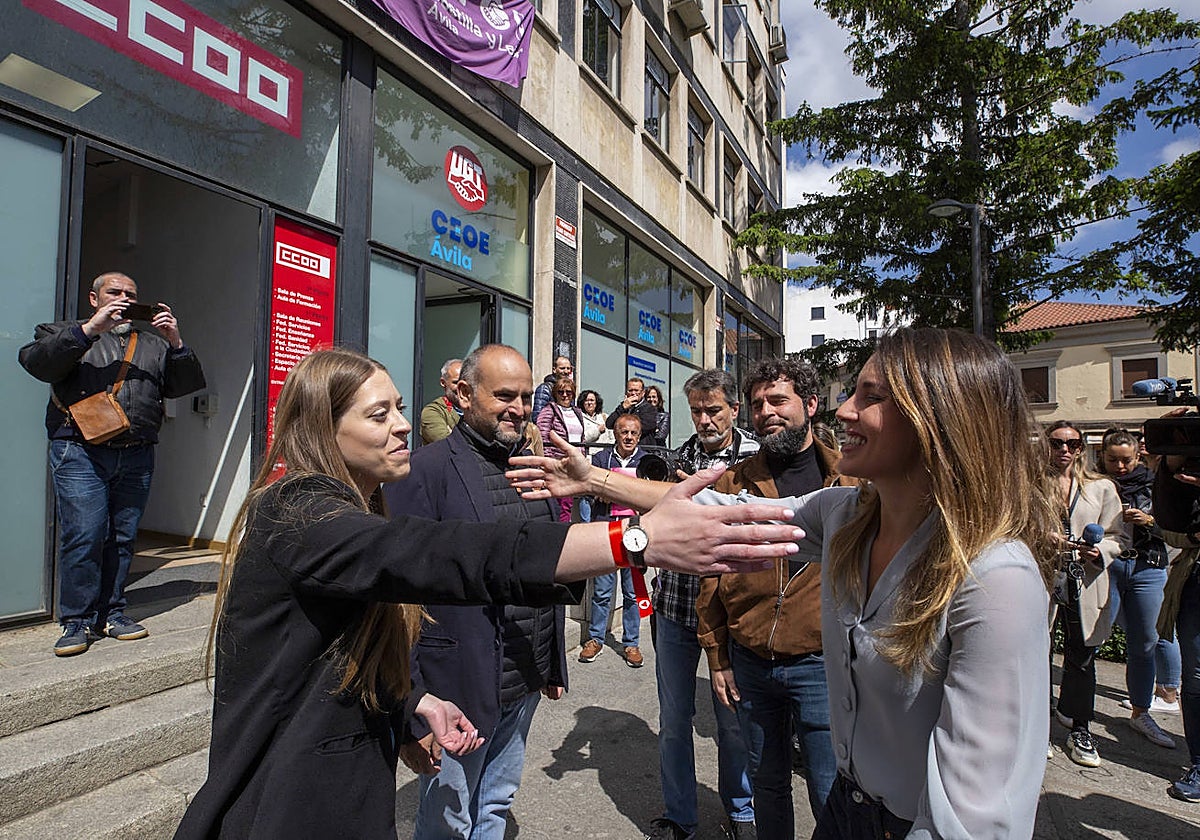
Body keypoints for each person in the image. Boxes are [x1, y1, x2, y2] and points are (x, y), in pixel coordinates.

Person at [175, 347, 804, 839]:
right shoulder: (298, 512)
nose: (401, 426)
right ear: (321, 425)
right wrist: (631, 542)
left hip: (474, 702)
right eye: (379, 414)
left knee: (494, 804)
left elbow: (343, 645)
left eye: (399, 407)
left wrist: (410, 701)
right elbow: (442, 558)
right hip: (289, 805)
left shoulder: (391, 494)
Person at [510, 327, 1061, 839]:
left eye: (870, 397)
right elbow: (721, 511)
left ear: (936, 421)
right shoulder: (848, 514)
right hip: (851, 810)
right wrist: (594, 479)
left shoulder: (996, 580)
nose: (845, 410)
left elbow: (977, 817)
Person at [385, 345, 571, 840]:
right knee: (449, 819)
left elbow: (546, 572)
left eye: (527, 396)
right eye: (505, 395)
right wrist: (413, 705)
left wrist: (551, 662)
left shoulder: (535, 467)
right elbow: (397, 600)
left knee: (495, 803)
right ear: (464, 395)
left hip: (522, 675)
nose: (519, 407)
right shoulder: (423, 470)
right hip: (457, 687)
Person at [695, 358, 847, 834]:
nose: (766, 412)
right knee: (768, 784)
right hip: (751, 662)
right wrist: (718, 657)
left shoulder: (849, 479)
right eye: (758, 403)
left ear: (811, 404)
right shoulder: (733, 481)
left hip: (823, 664)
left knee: (832, 792)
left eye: (778, 400)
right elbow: (711, 576)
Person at [19, 271, 206, 656]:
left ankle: (113, 613)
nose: (123, 298)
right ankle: (77, 620)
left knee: (122, 537)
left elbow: (182, 386)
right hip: (79, 450)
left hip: (137, 451)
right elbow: (38, 364)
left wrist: (176, 341)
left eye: (130, 294)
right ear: (94, 297)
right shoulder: (61, 331)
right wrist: (90, 330)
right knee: (85, 533)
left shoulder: (153, 344)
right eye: (114, 292)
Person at [646, 369, 757, 840]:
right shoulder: (678, 457)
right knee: (674, 719)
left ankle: (741, 811)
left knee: (732, 720)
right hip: (675, 606)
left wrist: (712, 498)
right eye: (696, 411)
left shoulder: (758, 456)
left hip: (733, 615)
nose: (705, 420)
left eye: (713, 410)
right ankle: (681, 817)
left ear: (734, 408)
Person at [1046, 420, 1124, 768]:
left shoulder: (1102, 487)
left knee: (1082, 655)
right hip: (1043, 576)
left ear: (1082, 448)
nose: (1065, 450)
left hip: (1085, 579)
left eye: (1073, 444)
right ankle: (1040, 728)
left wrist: (1100, 551)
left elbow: (1118, 536)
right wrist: (1045, 539)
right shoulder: (1030, 485)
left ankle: (1080, 728)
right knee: (1037, 653)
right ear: (1046, 446)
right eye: (1057, 443)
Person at [1099, 428, 1179, 748]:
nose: (1120, 467)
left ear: (1138, 456)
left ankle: (1141, 712)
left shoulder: (1156, 485)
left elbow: (1176, 530)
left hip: (1148, 566)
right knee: (1090, 638)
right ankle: (1072, 711)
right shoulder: (1097, 485)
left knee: (1146, 642)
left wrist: (1147, 521)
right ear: (1102, 458)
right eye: (1112, 460)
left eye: (1126, 460)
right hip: (1108, 565)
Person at [1152, 435, 1200, 802]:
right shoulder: (1184, 474)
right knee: (1196, 677)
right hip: (1194, 580)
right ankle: (1199, 762)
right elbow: (1172, 524)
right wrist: (1171, 463)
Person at [580, 413, 648, 668]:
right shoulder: (600, 459)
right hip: (607, 530)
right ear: (615, 434)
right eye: (624, 432)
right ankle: (595, 638)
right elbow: (587, 485)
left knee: (632, 592)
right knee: (601, 591)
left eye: (633, 433)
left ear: (639, 436)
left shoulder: (647, 462)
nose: (628, 437)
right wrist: (601, 492)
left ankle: (631, 643)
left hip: (636, 532)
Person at [536, 375, 598, 522]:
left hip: (575, 462)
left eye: (568, 392)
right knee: (560, 503)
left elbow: (582, 437)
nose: (565, 395)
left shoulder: (577, 412)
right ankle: (559, 532)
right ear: (555, 393)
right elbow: (543, 437)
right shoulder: (549, 410)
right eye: (561, 392)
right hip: (558, 462)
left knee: (569, 503)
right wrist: (549, 461)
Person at [419, 358, 463, 445]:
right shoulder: (433, 411)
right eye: (456, 382)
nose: (461, 388)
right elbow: (449, 445)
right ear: (443, 382)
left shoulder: (477, 409)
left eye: (465, 382)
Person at [607, 377, 658, 445]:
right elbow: (609, 424)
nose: (633, 393)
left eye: (636, 390)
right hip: (622, 450)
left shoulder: (650, 409)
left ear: (643, 393)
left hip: (642, 450)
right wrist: (622, 408)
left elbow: (641, 428)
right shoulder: (623, 407)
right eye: (630, 390)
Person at [532, 354, 573, 419]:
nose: (566, 371)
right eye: (562, 368)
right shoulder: (545, 389)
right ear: (554, 369)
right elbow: (537, 416)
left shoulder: (570, 389)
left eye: (568, 368)